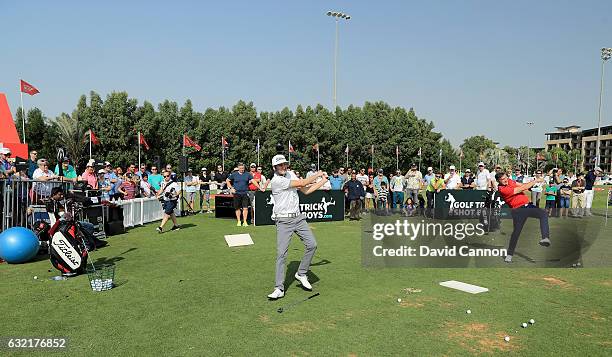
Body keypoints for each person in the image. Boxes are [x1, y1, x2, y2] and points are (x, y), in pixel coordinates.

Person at [267, 154, 328, 300]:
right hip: (283, 221)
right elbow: (304, 182)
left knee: (312, 245)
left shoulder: (291, 174)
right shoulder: (277, 181)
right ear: (274, 167)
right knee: (281, 254)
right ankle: (279, 288)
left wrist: (323, 181)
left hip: (298, 218)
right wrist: (318, 174)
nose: (283, 167)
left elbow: (306, 190)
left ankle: (301, 273)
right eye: (280, 165)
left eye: (284, 164)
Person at [496, 172, 550, 263]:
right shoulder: (502, 189)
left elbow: (521, 185)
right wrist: (536, 180)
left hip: (527, 206)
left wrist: (532, 186)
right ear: (498, 181)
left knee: (543, 214)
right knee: (516, 233)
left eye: (505, 178)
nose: (505, 180)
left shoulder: (509, 181)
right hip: (518, 211)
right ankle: (509, 255)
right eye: (502, 179)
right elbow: (522, 188)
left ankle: (545, 238)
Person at [46, 187, 107, 251]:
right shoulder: (51, 203)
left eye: (62, 194)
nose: (61, 196)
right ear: (53, 194)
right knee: (88, 226)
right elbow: (63, 215)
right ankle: (87, 245)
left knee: (86, 227)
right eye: (59, 194)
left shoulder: (55, 202)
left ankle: (91, 243)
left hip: (64, 224)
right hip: (60, 226)